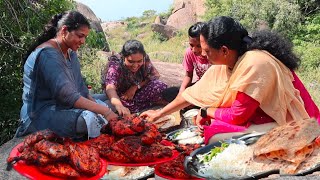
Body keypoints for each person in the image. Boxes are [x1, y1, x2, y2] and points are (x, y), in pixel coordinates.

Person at [141, 16, 320, 144]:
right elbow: (191, 94)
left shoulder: (254, 63)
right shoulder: (229, 62)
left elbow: (237, 116)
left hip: (298, 123)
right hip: (263, 115)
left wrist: (205, 112)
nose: (202, 54)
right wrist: (159, 114)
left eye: (207, 50)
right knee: (212, 123)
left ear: (224, 50)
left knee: (213, 134)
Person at [16, 11, 118, 139]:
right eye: (80, 36)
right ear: (64, 31)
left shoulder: (71, 53)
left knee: (112, 101)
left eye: (85, 37)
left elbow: (81, 89)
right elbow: (68, 97)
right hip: (40, 113)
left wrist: (101, 109)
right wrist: (105, 112)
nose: (83, 41)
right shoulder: (48, 54)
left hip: (64, 105)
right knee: (90, 118)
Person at [103, 39, 168, 116]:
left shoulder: (144, 58)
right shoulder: (116, 65)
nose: (135, 65)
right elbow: (110, 87)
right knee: (123, 107)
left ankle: (147, 103)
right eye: (131, 62)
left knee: (160, 86)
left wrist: (136, 87)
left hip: (139, 90)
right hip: (123, 96)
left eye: (139, 61)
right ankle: (148, 103)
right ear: (124, 57)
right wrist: (119, 106)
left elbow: (152, 76)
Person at [179, 22, 211, 94]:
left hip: (213, 88)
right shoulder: (189, 52)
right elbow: (188, 75)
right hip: (199, 86)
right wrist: (182, 91)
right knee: (171, 92)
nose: (194, 50)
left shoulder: (213, 54)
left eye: (199, 46)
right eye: (191, 45)